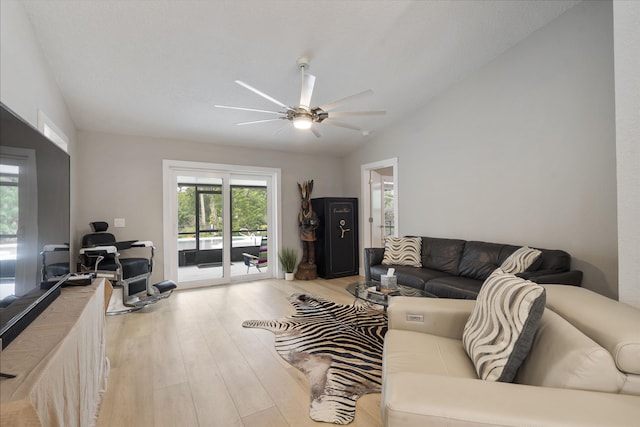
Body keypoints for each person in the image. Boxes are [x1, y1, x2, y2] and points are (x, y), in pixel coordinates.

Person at [298, 180, 319, 264]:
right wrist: (302, 225)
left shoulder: (312, 213)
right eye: (303, 204)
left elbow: (316, 222)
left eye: (305, 204)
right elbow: (299, 222)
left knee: (311, 246)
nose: (304, 205)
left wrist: (312, 224)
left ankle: (311, 258)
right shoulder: (301, 214)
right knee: (304, 246)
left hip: (310, 232)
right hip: (303, 232)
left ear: (308, 204)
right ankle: (305, 257)